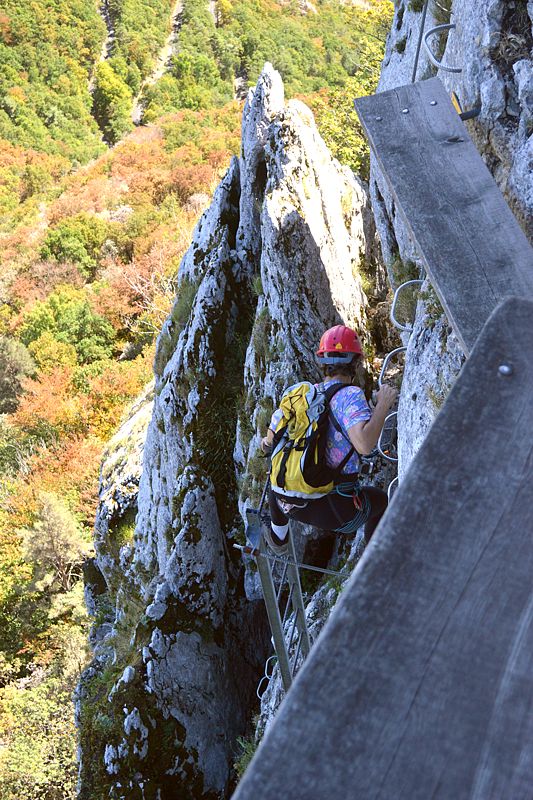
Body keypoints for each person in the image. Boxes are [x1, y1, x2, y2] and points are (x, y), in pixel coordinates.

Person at [260, 324, 397, 554]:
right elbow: (364, 445)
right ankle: (374, 559)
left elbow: (270, 440)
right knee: (381, 502)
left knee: (279, 467)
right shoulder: (349, 395)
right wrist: (383, 405)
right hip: (335, 510)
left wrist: (267, 443)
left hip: (290, 505)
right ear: (356, 363)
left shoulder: (303, 396)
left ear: (322, 363)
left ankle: (278, 536)